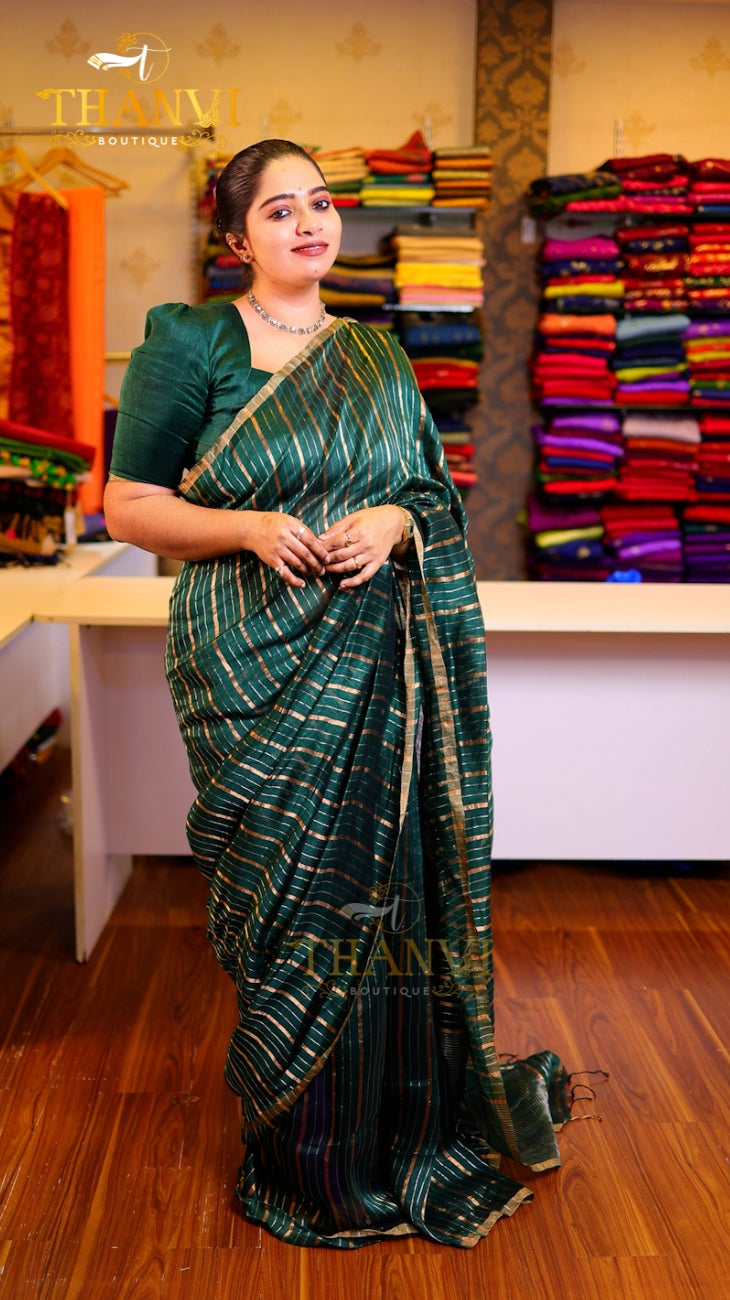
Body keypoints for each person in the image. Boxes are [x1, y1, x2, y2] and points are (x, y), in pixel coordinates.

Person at [104, 138, 572, 1250]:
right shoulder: (191, 343)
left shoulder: (376, 354)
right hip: (249, 662)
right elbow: (128, 504)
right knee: (287, 901)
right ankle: (304, 1154)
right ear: (236, 238)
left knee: (384, 895)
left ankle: (393, 1133)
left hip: (377, 662)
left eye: (319, 203)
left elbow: (426, 491)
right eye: (279, 210)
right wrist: (249, 529)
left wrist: (399, 520)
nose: (310, 223)